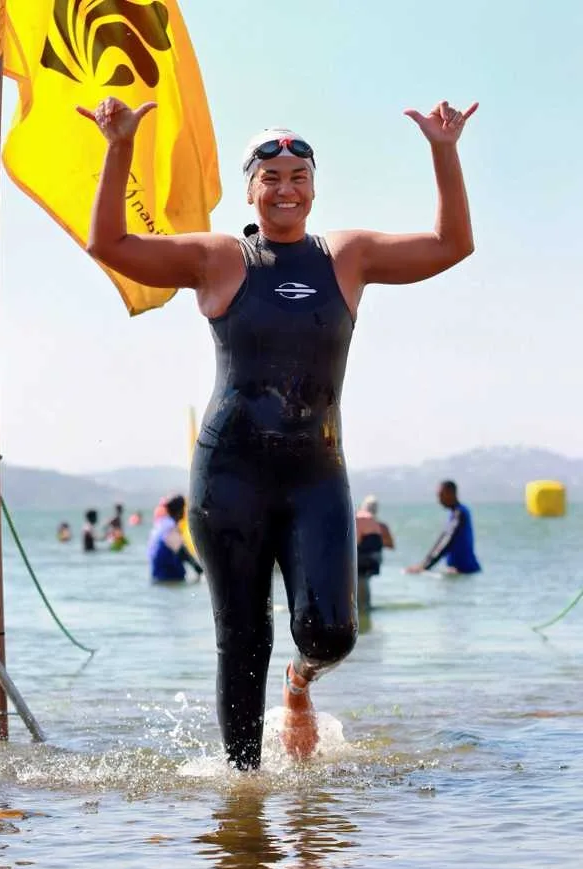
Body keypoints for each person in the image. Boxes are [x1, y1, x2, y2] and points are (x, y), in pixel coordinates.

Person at [78, 94, 477, 769]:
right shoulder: (218, 258)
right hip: (228, 474)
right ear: (251, 189)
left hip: (316, 474)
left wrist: (444, 154)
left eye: (299, 178)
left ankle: (299, 685)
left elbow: (452, 245)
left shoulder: (347, 256)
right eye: (271, 179)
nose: (285, 190)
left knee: (330, 633)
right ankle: (243, 801)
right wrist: (118, 148)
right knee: (241, 641)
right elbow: (108, 245)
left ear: (314, 190)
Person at [405, 480, 481, 575]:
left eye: (441, 495)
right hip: (459, 571)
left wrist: (424, 567)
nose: (439, 500)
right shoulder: (454, 514)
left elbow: (447, 542)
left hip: (465, 571)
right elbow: (440, 542)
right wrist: (423, 564)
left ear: (451, 493)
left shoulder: (460, 513)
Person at [147, 494, 203, 583]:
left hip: (157, 576)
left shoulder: (161, 524)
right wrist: (200, 569)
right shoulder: (170, 527)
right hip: (167, 577)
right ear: (180, 510)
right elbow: (182, 551)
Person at [356, 495, 395, 611]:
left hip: (365, 558)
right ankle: (365, 610)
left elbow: (356, 543)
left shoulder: (360, 519)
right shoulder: (381, 525)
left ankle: (363, 611)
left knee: (361, 579)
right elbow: (391, 545)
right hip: (375, 558)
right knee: (364, 581)